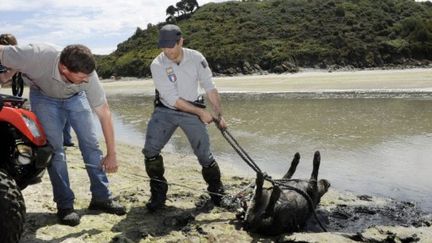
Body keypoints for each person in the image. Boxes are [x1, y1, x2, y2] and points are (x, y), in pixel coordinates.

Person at [0, 43, 126, 226]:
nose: (86, 80)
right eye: (81, 77)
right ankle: (65, 205)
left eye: (87, 76)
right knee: (56, 151)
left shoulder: (88, 76)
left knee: (91, 145)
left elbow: (104, 113)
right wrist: (8, 71)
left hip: (77, 98)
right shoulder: (35, 54)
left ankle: (102, 197)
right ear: (64, 68)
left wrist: (112, 154)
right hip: (43, 97)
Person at [142, 24, 228, 211]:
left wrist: (219, 115)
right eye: (163, 47)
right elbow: (171, 98)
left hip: (193, 107)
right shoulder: (157, 64)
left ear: (181, 41)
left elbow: (209, 86)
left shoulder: (196, 58)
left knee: (204, 155)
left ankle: (217, 192)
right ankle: (158, 194)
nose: (167, 50)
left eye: (171, 46)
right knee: (150, 151)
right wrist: (201, 113)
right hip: (165, 110)